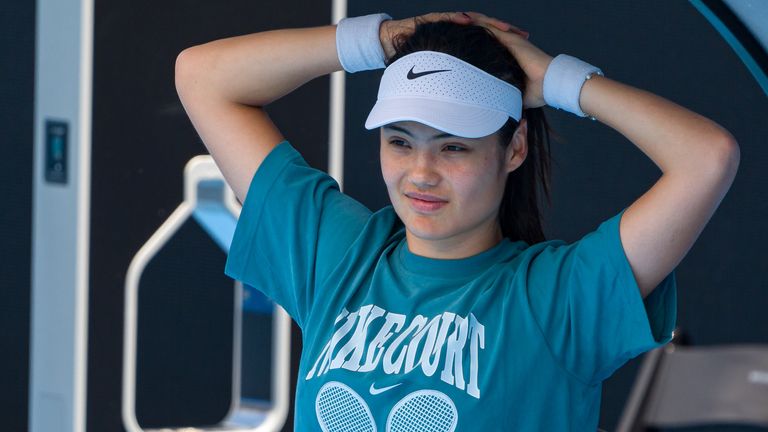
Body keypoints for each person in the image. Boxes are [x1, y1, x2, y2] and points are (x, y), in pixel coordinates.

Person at [174, 11, 739, 431]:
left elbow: (706, 156)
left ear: (513, 148)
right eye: (400, 142)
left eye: (453, 149)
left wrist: (561, 82)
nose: (420, 173)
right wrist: (388, 41)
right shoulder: (341, 255)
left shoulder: (558, 299)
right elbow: (202, 76)